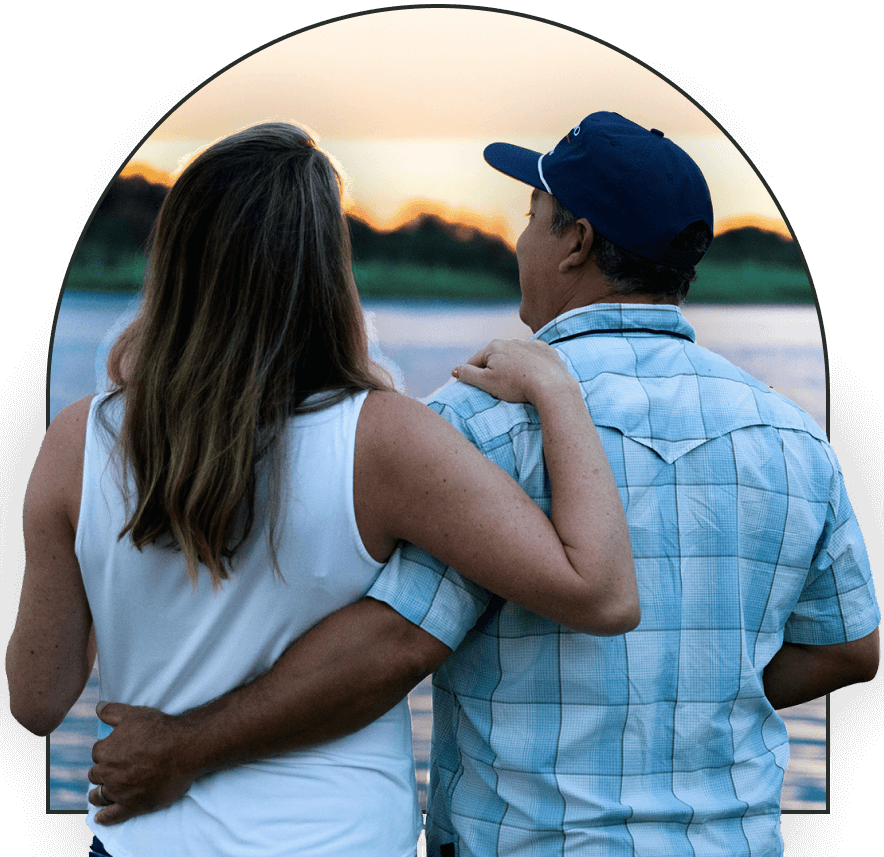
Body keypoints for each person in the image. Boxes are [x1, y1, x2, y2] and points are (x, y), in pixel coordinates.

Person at [83, 113, 878, 855]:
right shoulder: (794, 435)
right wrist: (689, 709)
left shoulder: (482, 421)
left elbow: (391, 646)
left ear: (577, 242)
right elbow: (848, 647)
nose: (520, 238)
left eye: (534, 214)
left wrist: (180, 745)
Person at [5, 121, 641, 857]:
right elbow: (600, 590)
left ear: (175, 257)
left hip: (143, 841)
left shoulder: (78, 440)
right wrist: (556, 388)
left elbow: (37, 700)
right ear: (325, 265)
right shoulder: (383, 439)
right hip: (339, 839)